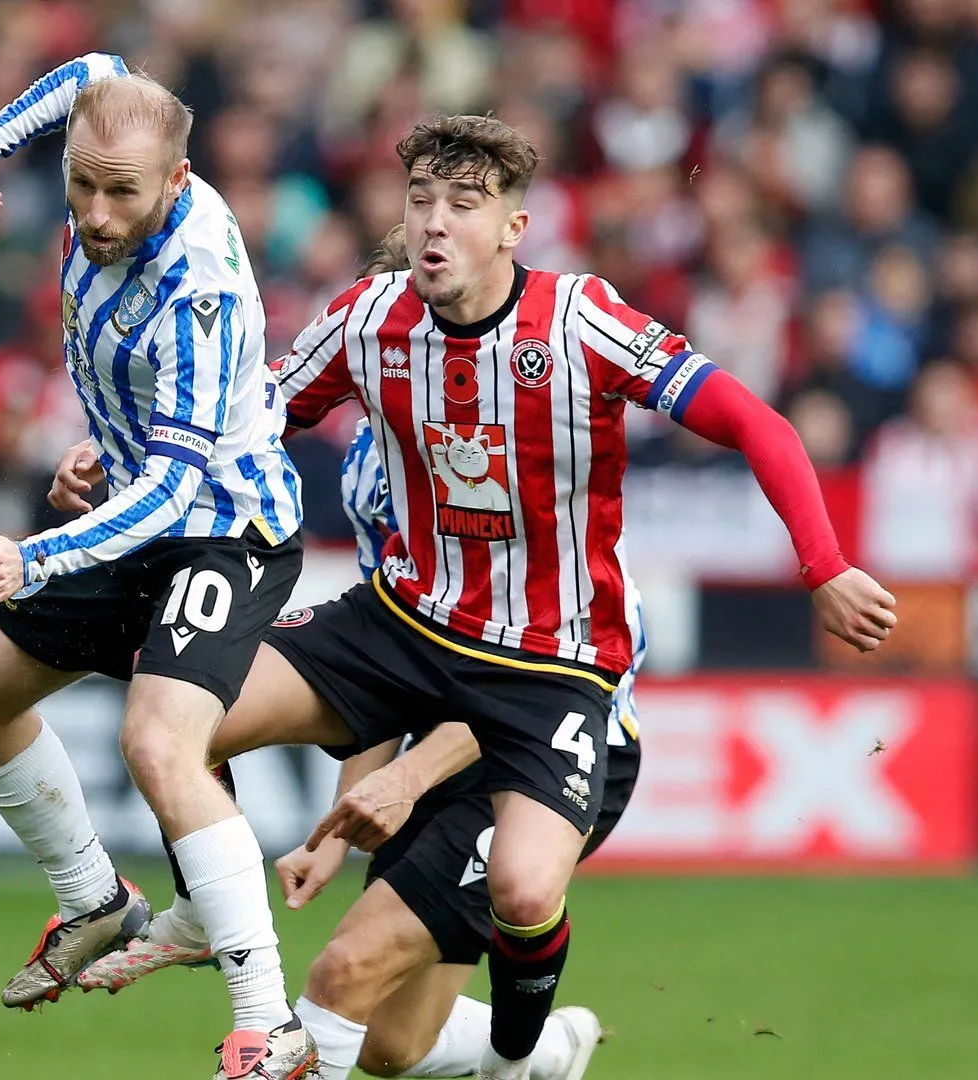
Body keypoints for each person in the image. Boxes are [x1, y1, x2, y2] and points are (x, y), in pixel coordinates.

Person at [79, 113, 896, 1080]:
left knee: (494, 907)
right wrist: (119, 458)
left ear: (514, 226)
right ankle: (201, 914)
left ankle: (520, 1055)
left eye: (463, 205)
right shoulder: (368, 323)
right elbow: (232, 423)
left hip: (550, 676)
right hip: (404, 627)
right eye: (420, 200)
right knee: (182, 709)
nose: (434, 222)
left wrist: (824, 566)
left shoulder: (581, 323)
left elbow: (754, 420)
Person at [84, 228, 626, 1080]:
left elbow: (551, 681)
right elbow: (394, 673)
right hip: (444, 733)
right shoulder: (374, 468)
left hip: (550, 744)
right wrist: (338, 829)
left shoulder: (531, 451)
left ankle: (503, 1050)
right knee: (390, 1045)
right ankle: (550, 1052)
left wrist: (407, 777)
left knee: (341, 976)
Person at [0, 53, 317, 1078]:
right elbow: (93, 72)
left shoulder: (197, 289)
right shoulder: (111, 152)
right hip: (137, 505)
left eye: (122, 193)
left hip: (226, 528)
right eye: (81, 185)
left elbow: (177, 492)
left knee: (157, 740)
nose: (96, 214)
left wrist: (32, 557)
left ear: (177, 180)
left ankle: (269, 1025)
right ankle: (95, 899)